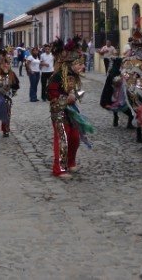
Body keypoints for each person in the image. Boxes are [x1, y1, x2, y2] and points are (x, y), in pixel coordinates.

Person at [47, 37, 93, 178]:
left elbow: (73, 92)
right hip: (59, 112)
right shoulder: (57, 77)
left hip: (72, 111)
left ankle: (70, 162)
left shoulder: (73, 77)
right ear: (70, 63)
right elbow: (51, 95)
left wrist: (76, 96)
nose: (82, 67)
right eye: (79, 64)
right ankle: (59, 168)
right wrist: (66, 99)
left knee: (74, 137)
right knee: (63, 138)